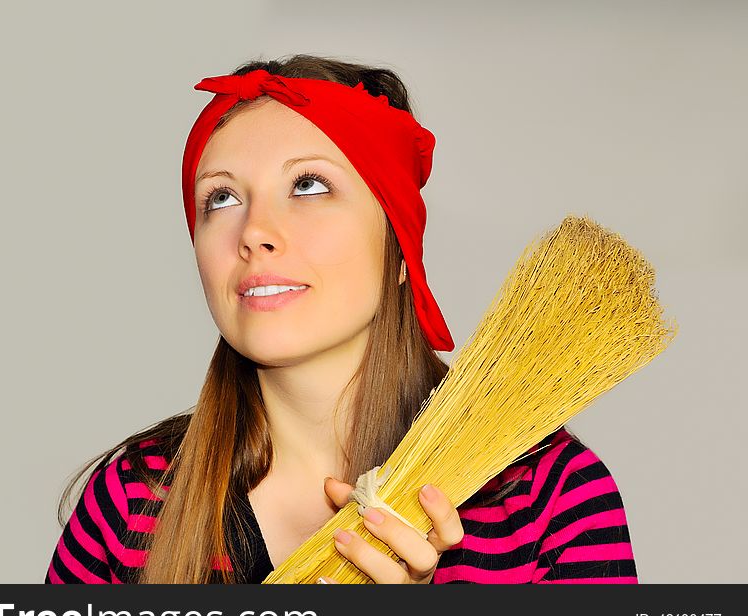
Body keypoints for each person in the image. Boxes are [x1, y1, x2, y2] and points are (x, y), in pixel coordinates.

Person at [45, 54, 638, 584]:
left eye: (308, 185)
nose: (253, 232)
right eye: (221, 197)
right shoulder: (134, 501)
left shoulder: (545, 497)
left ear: (399, 249)